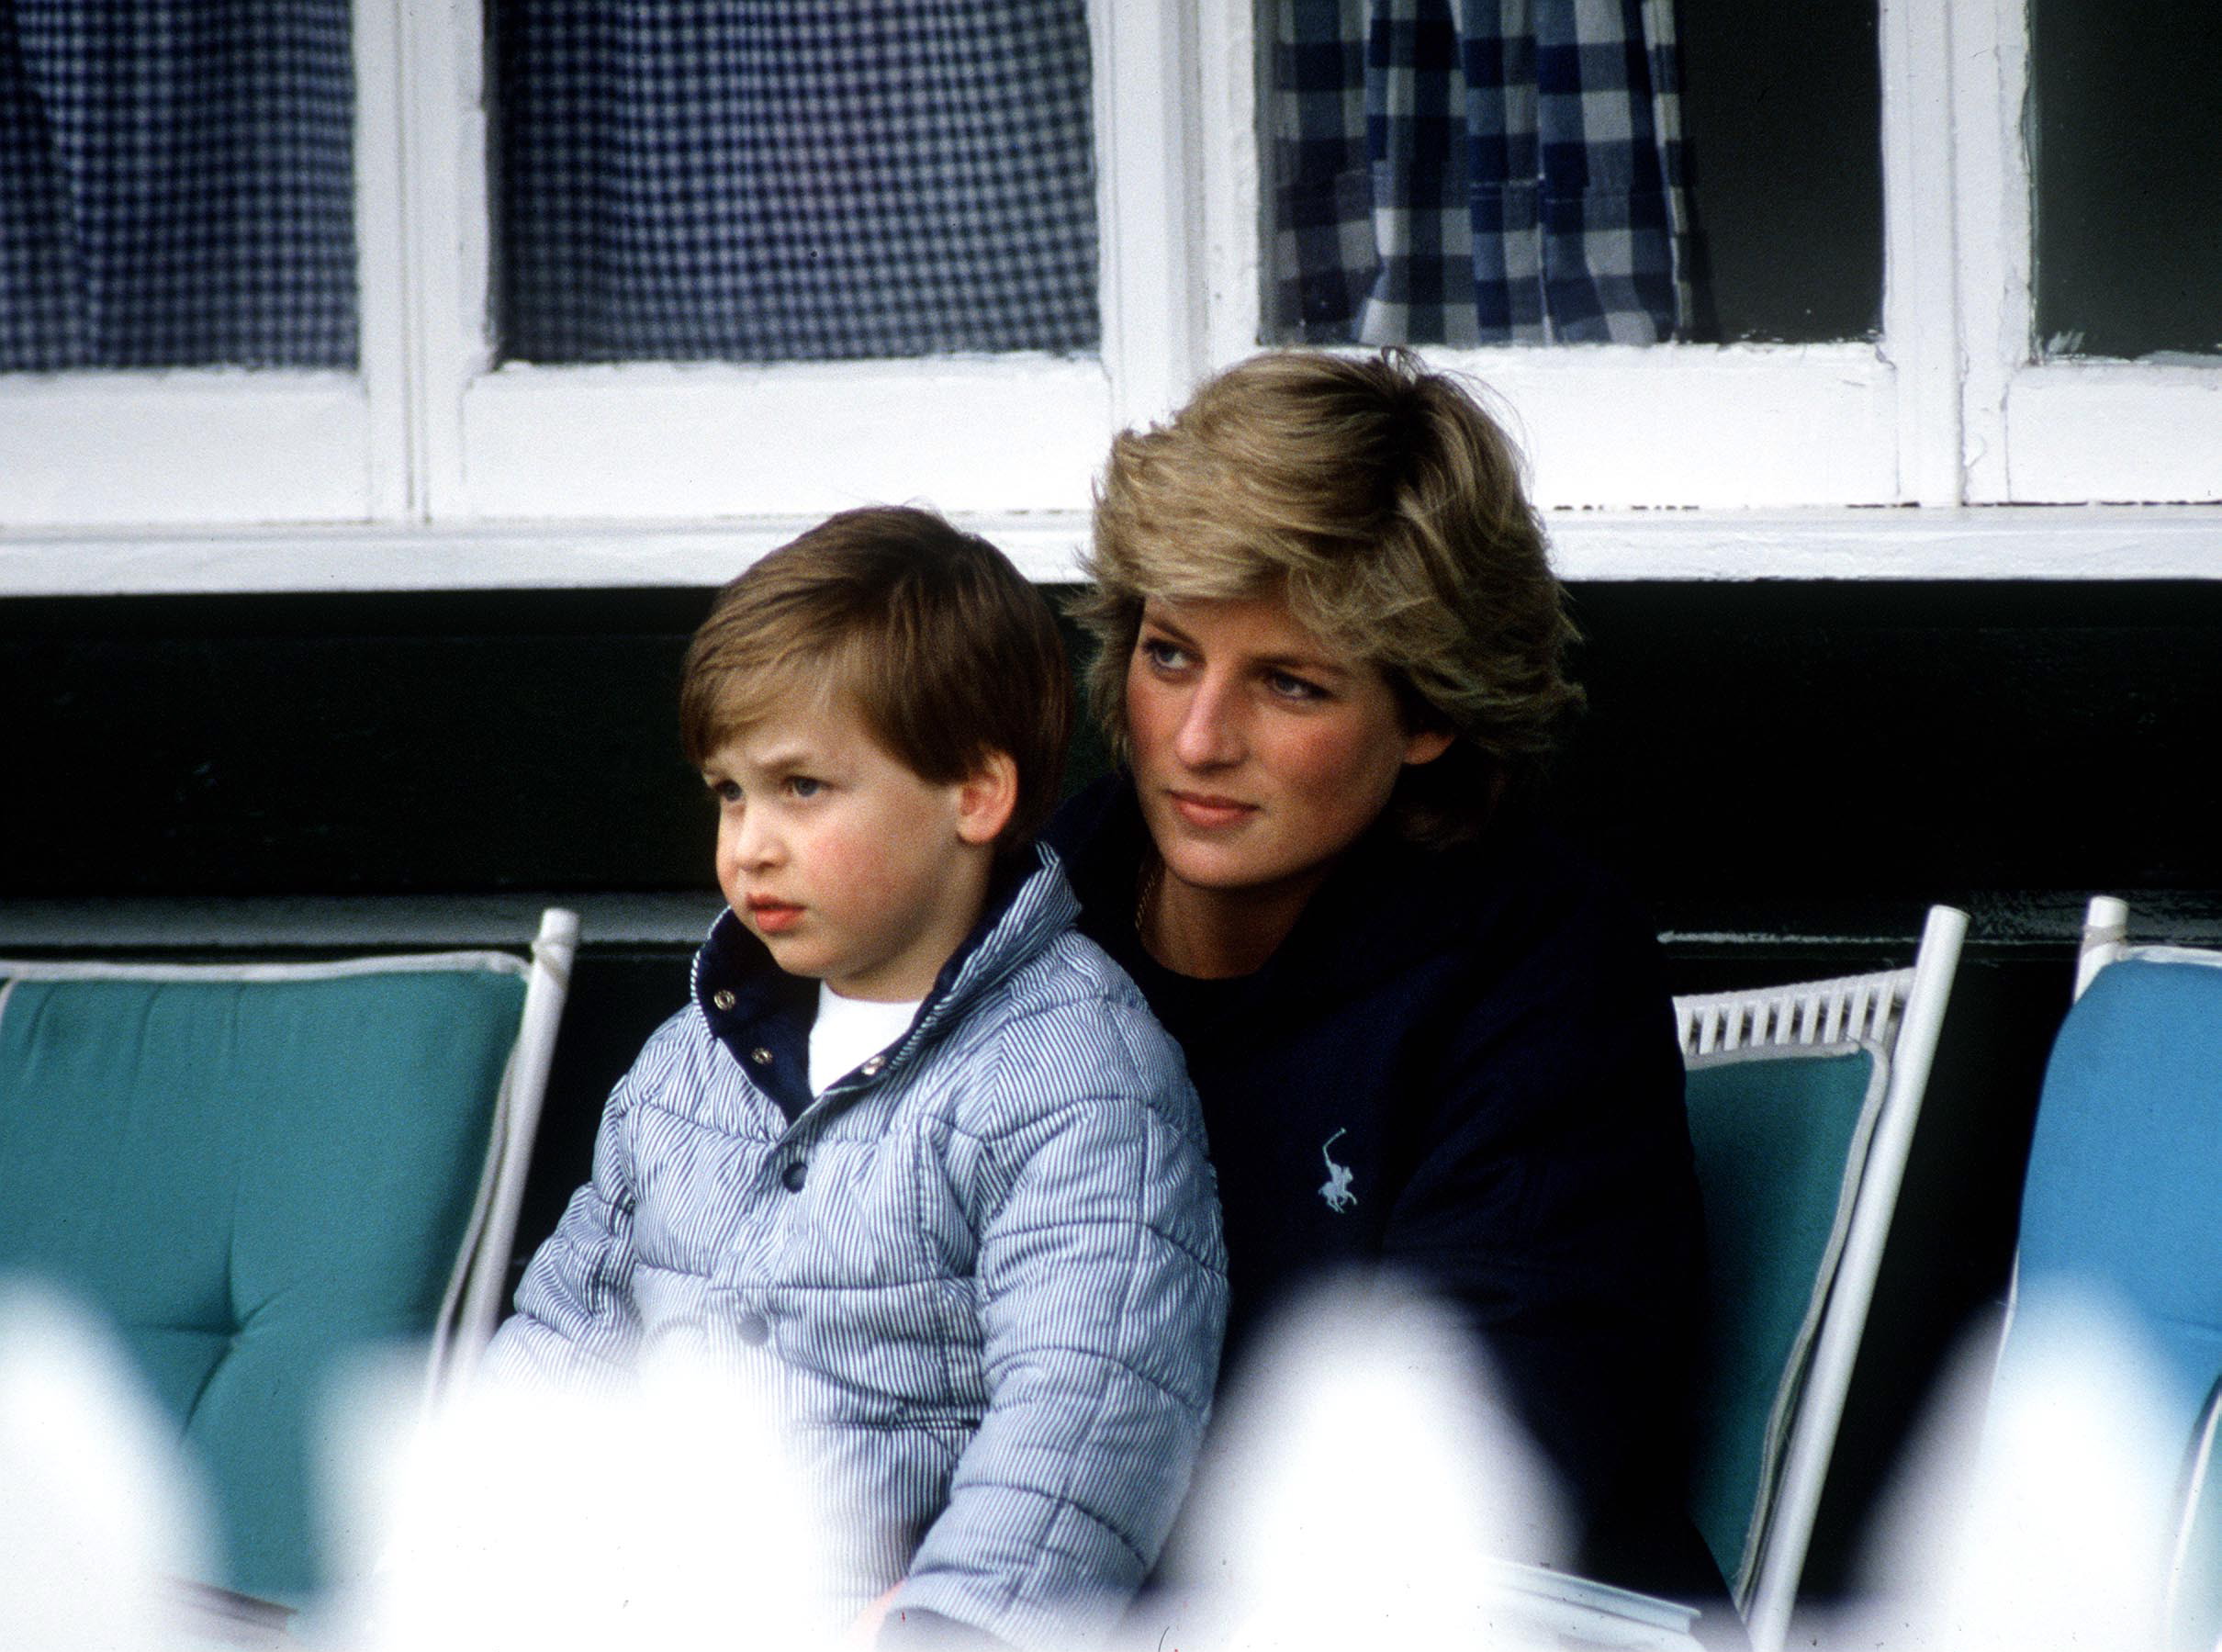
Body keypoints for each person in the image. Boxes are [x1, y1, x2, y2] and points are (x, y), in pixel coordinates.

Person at [1048, 350, 1724, 1611]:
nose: (1198, 738)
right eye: (1171, 653)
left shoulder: (1539, 970)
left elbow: (1470, 1454)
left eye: (1289, 682)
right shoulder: (1021, 914)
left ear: (1429, 713)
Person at [485, 507, 1229, 1652]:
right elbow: (565, 1337)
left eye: (802, 788)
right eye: (728, 791)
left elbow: (1088, 1410)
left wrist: (951, 1625)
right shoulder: (688, 1060)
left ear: (973, 794)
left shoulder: (1076, 1078)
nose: (749, 844)